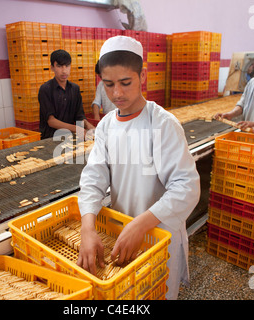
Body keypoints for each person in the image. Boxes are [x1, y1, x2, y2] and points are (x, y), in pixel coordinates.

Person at [76, 36, 201, 300]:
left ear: (142, 76)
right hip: (122, 231)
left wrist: (142, 224)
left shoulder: (163, 124)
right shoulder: (107, 126)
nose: (117, 94)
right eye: (108, 85)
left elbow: (186, 188)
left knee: (154, 292)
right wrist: (87, 227)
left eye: (125, 83)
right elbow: (93, 178)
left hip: (158, 233)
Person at [38, 49, 95, 139]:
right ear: (52, 67)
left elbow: (79, 117)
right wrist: (77, 129)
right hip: (50, 138)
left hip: (69, 137)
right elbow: (51, 121)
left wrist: (91, 127)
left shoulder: (75, 89)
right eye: (59, 66)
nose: (64, 71)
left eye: (67, 66)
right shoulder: (45, 89)